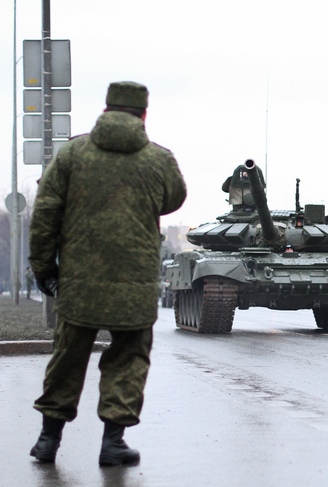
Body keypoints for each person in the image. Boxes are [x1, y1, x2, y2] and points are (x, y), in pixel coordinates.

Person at [28, 81, 187, 466]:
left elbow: (45, 215)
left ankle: (48, 440)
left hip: (78, 281)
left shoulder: (72, 154)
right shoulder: (159, 160)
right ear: (143, 115)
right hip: (135, 284)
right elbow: (174, 198)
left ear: (105, 111)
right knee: (128, 359)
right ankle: (113, 443)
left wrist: (44, 268)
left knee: (67, 357)